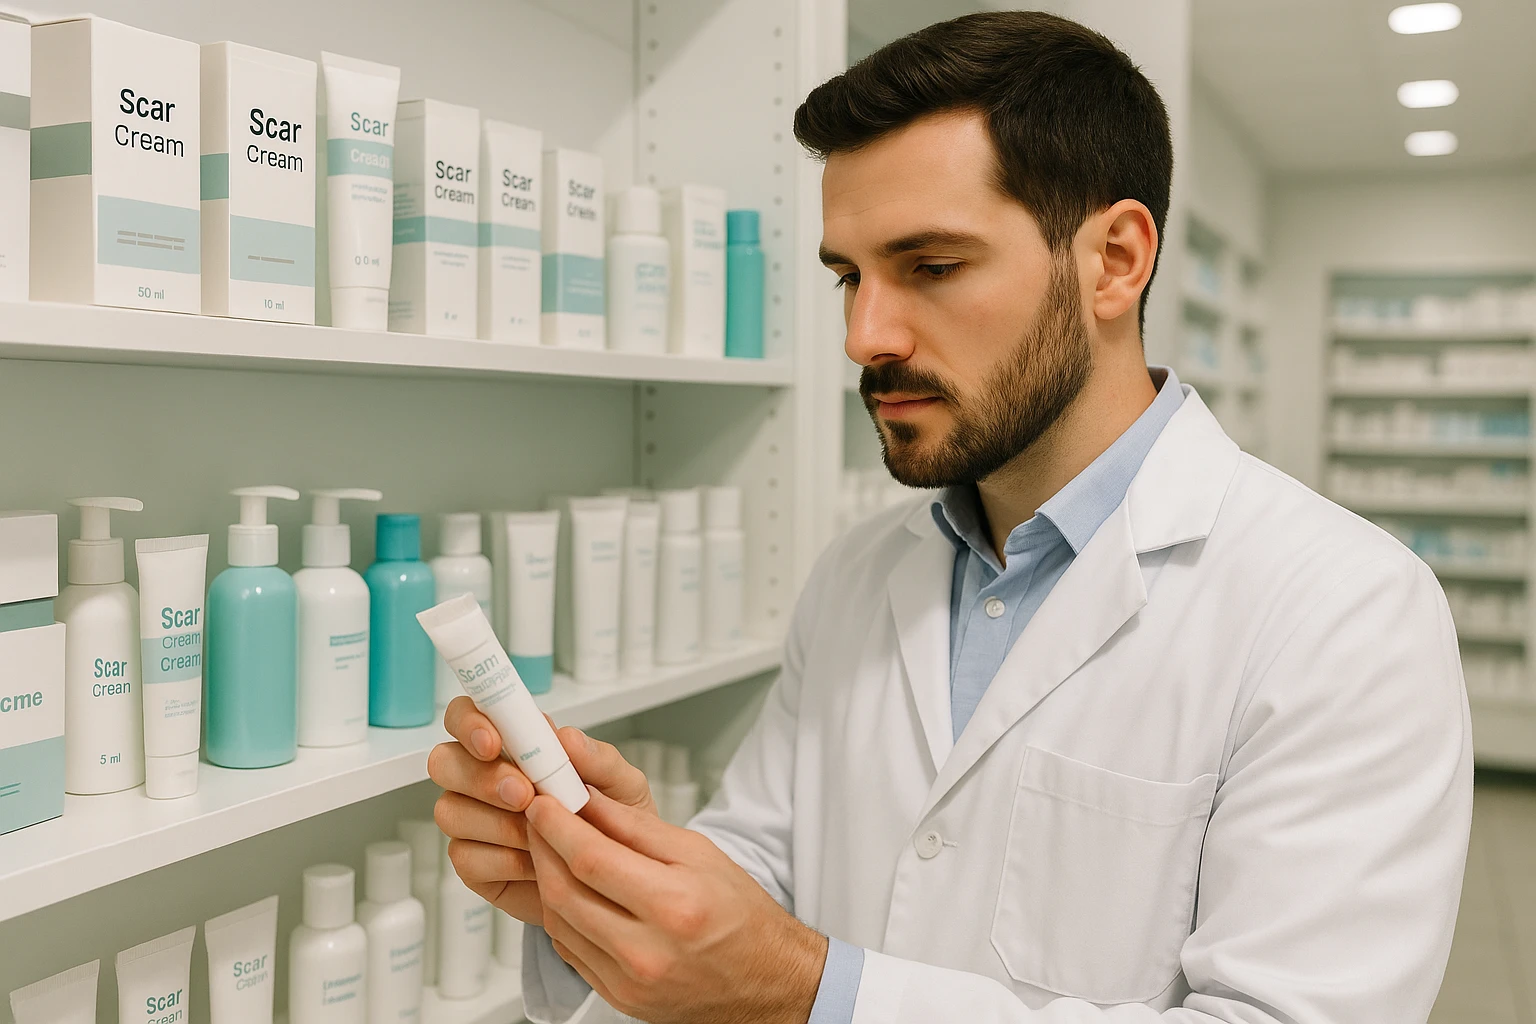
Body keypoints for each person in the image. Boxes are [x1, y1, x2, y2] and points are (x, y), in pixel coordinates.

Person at [427, 11, 1473, 1024]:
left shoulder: (1346, 612)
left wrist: (808, 995)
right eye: (848, 276)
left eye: (931, 267)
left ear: (1115, 260)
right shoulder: (858, 574)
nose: (863, 334)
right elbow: (768, 861)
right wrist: (612, 877)